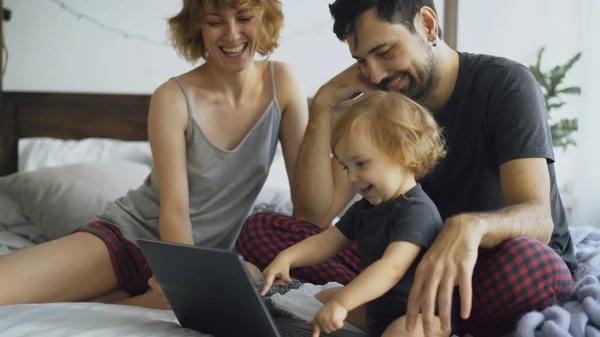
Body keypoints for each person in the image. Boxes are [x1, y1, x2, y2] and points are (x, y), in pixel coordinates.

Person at [235, 0, 575, 336]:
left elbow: (538, 219)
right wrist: (324, 102)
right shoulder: (385, 105)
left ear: (427, 25)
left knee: (530, 269)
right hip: (403, 264)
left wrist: (474, 226)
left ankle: (398, 311)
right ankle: (386, 304)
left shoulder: (505, 84)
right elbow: (314, 217)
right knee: (262, 230)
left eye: (384, 52)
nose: (375, 75)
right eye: (361, 62)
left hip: (483, 265)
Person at [0, 0, 308, 308]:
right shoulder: (172, 97)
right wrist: (183, 277)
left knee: (254, 281)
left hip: (211, 259)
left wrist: (329, 102)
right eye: (215, 22)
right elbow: (174, 211)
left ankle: (116, 302)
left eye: (243, 18)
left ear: (264, 18)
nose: (231, 33)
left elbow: (310, 210)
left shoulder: (283, 84)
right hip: (130, 240)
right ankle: (127, 297)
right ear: (196, 28)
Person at [261, 91, 455, 337]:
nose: (352, 178)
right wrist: (288, 257)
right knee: (320, 301)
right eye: (345, 167)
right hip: (379, 308)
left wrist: (343, 304)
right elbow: (327, 240)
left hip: (420, 314)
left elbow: (391, 268)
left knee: (404, 331)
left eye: (360, 164)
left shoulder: (416, 211)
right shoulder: (366, 207)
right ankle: (271, 302)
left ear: (404, 152)